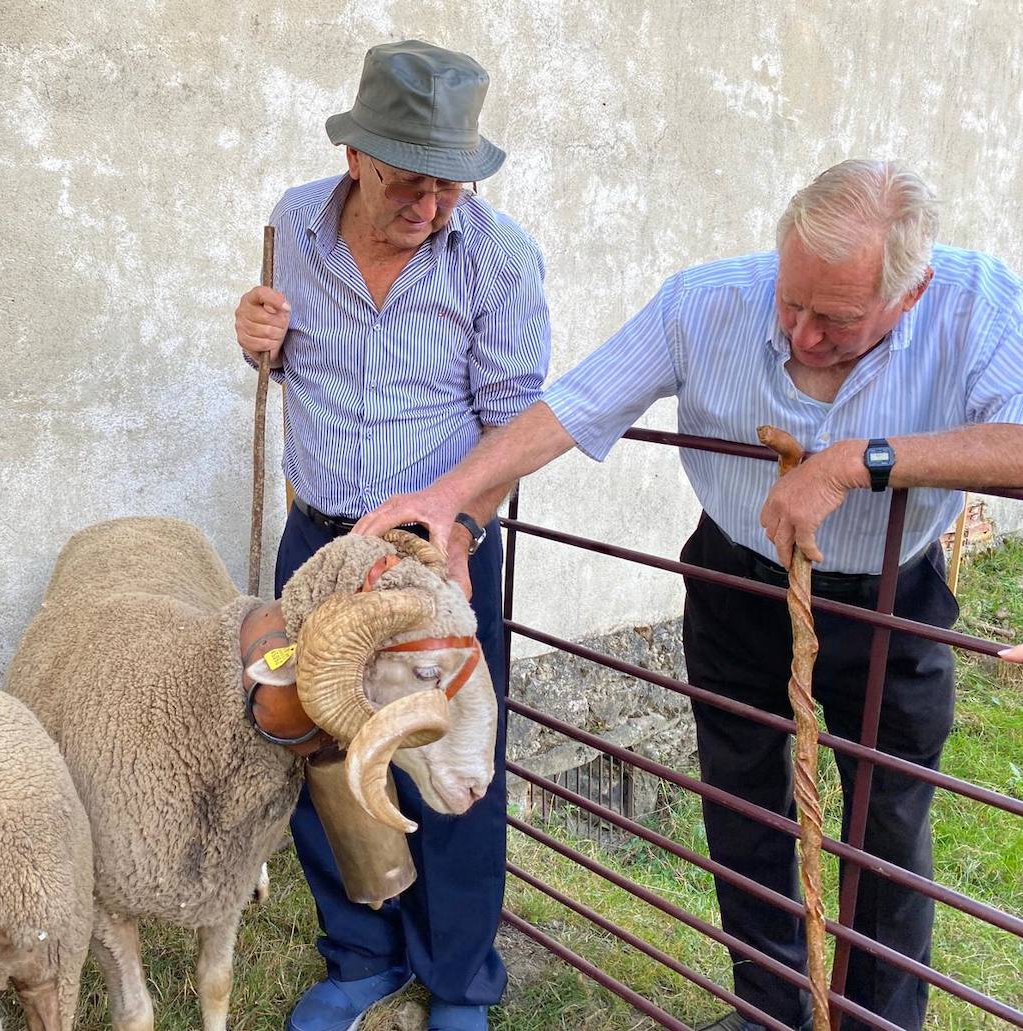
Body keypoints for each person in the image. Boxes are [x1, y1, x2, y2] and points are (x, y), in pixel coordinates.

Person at [354, 159, 1023, 1031]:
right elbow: (575, 404)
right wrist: (451, 497)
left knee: (885, 826)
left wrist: (864, 460)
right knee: (743, 808)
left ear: (912, 291)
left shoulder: (976, 300)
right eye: (792, 302)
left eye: (838, 319)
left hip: (889, 595)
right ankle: (768, 1010)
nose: (803, 334)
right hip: (735, 583)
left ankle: (873, 1023)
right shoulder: (705, 299)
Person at [233, 39, 551, 1031]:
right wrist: (259, 343)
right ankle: (363, 954)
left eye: (450, 184)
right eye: (410, 181)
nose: (431, 204)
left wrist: (462, 528)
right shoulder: (294, 225)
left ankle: (458, 979)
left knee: (450, 760)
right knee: (321, 747)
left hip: (432, 561)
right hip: (318, 546)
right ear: (356, 158)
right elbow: (291, 364)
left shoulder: (498, 259)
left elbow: (513, 428)